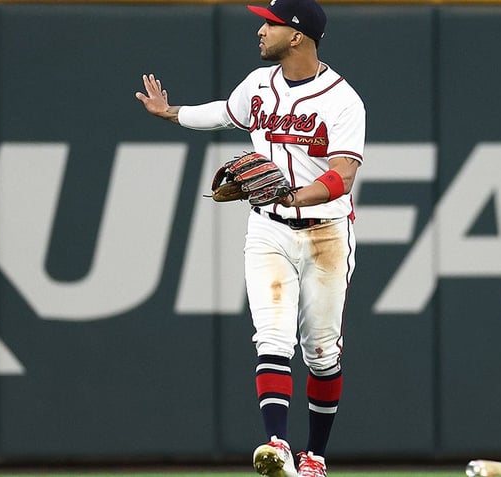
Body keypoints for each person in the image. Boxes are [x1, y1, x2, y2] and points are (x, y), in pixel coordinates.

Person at [135, 1, 365, 476]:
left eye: (271, 23)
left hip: (325, 234)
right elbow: (225, 112)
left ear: (297, 36)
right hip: (267, 229)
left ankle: (314, 456)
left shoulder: (343, 100)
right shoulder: (260, 84)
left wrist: (299, 196)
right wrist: (171, 113)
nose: (261, 30)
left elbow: (344, 172)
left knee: (321, 352)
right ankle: (278, 444)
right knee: (272, 338)